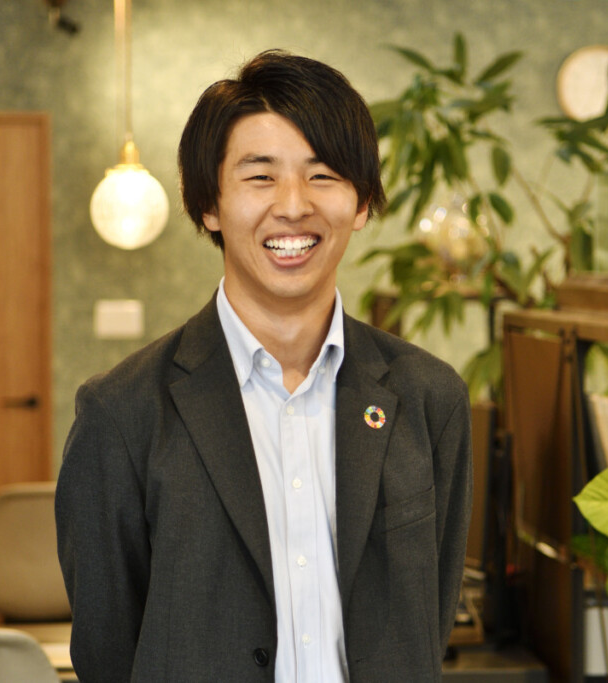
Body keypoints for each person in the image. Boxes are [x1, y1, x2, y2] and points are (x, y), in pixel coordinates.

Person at [55, 50, 473, 683]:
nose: (294, 206)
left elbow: (428, 620)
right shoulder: (122, 413)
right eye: (260, 177)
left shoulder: (429, 397)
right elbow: (107, 652)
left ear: (362, 203)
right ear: (209, 205)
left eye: (323, 174)